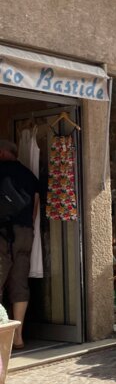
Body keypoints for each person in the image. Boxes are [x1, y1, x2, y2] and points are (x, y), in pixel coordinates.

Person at [0, 140, 39, 350]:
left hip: (2, 232)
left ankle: (1, 339)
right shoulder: (28, 174)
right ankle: (18, 337)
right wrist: (28, 226)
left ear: (3, 152)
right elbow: (35, 203)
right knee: (19, 281)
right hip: (24, 231)